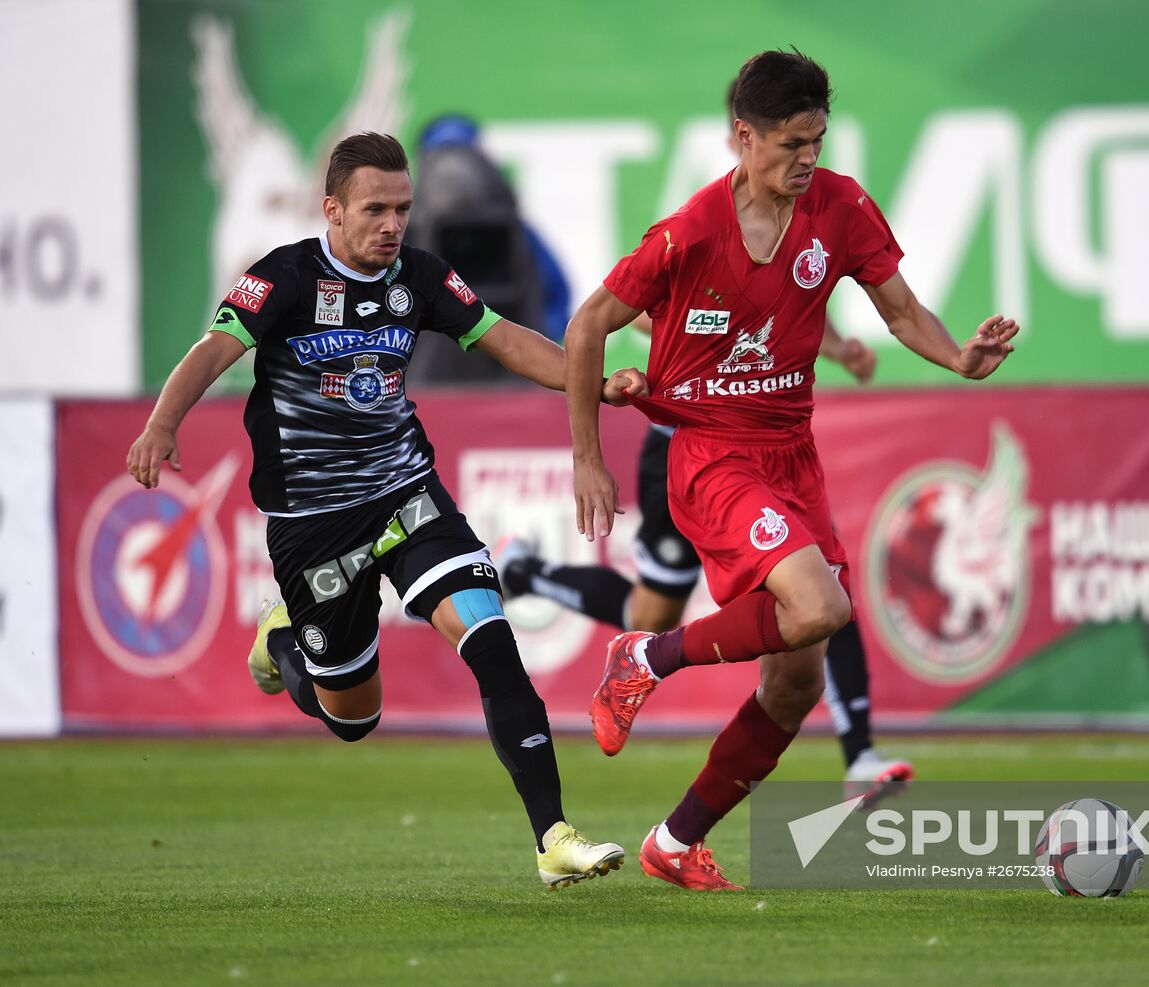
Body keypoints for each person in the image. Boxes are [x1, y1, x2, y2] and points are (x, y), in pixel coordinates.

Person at [127, 132, 643, 891]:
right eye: (376, 209)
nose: (393, 223)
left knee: (493, 641)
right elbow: (213, 349)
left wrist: (589, 380)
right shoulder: (285, 277)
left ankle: (553, 835)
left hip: (406, 497)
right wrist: (163, 422)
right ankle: (287, 640)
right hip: (313, 524)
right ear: (331, 210)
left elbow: (501, 338)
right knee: (352, 716)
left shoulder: (422, 277)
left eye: (403, 208)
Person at [564, 51, 1018, 891]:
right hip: (709, 455)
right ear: (745, 136)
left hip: (790, 458)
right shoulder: (689, 232)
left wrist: (959, 356)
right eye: (791, 143)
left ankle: (675, 838)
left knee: (797, 681)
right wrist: (588, 456)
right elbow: (589, 324)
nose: (808, 158)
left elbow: (900, 308)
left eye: (817, 138)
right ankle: (646, 656)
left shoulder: (839, 207)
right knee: (820, 607)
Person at [498, 313, 914, 807]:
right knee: (651, 616)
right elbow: (635, 321)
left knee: (821, 587)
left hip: (759, 460)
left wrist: (840, 348)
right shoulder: (682, 240)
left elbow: (793, 309)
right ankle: (526, 574)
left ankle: (860, 752)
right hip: (686, 456)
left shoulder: (780, 242)